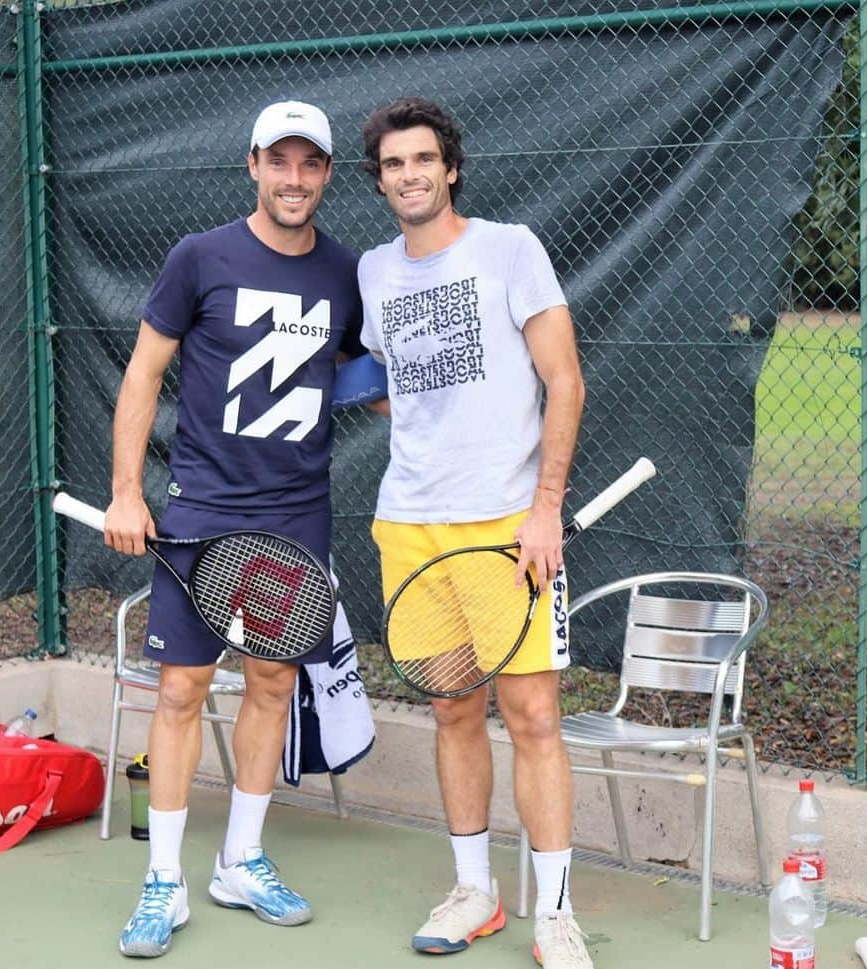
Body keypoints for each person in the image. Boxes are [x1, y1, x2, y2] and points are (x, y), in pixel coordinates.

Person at [106, 100, 364, 959]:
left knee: (271, 685)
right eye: (279, 162)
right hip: (201, 510)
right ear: (252, 165)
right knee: (180, 692)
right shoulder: (199, 257)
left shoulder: (345, 273)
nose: (295, 179)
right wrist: (126, 493)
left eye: (311, 164)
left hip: (296, 513)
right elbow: (144, 374)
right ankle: (165, 881)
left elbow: (366, 371)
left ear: (327, 174)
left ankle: (242, 860)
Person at [358, 96, 593, 968]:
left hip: (506, 524)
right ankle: (475, 892)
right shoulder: (374, 274)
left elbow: (562, 380)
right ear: (379, 180)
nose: (409, 175)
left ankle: (558, 913)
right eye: (392, 165)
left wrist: (544, 508)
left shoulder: (510, 248)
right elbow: (398, 382)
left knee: (532, 715)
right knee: (453, 707)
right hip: (410, 523)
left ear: (450, 168)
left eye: (423, 160)